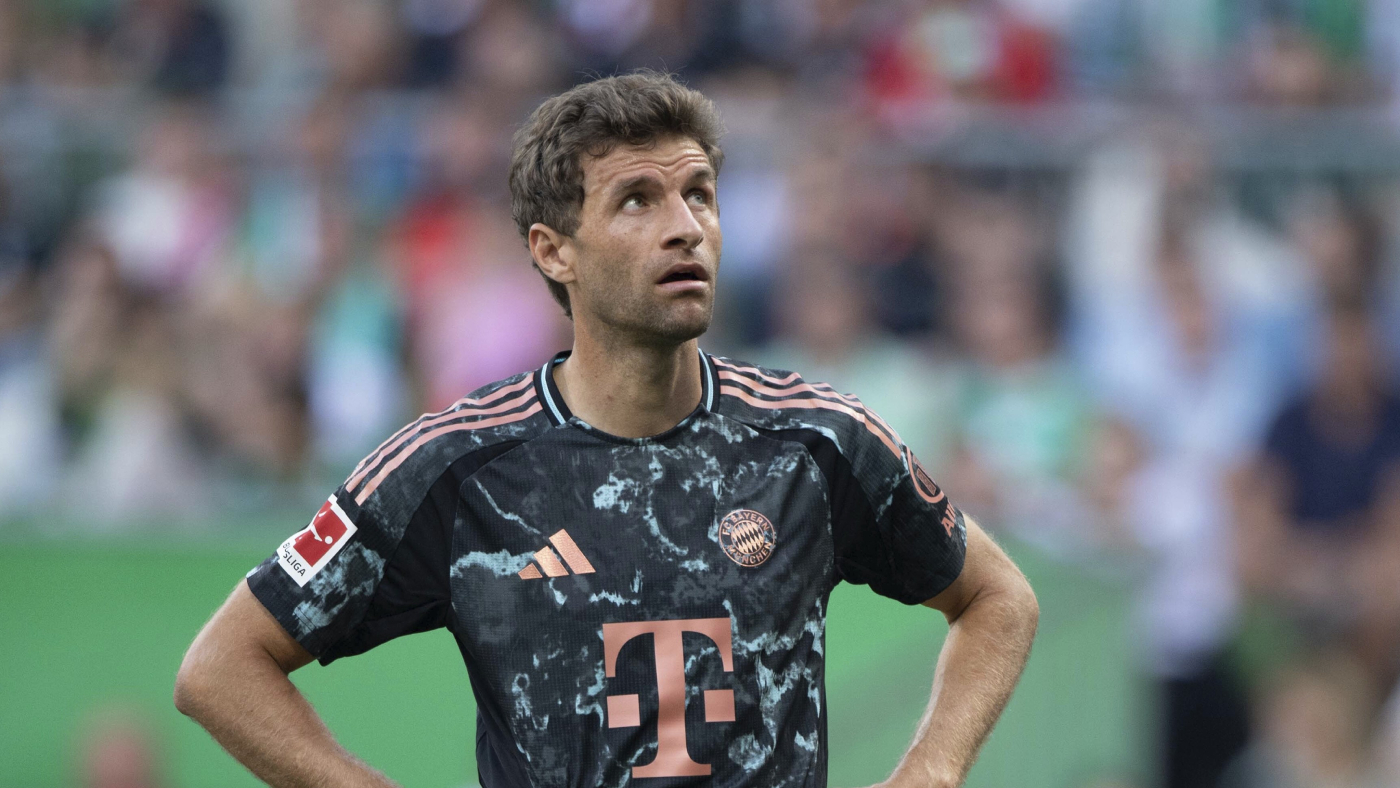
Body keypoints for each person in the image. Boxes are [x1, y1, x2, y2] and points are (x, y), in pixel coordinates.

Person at [174, 71, 1039, 788]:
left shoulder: (817, 442)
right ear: (554, 250)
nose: (685, 227)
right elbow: (221, 668)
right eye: (637, 201)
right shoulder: (458, 467)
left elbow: (999, 599)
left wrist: (931, 771)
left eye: (699, 194)